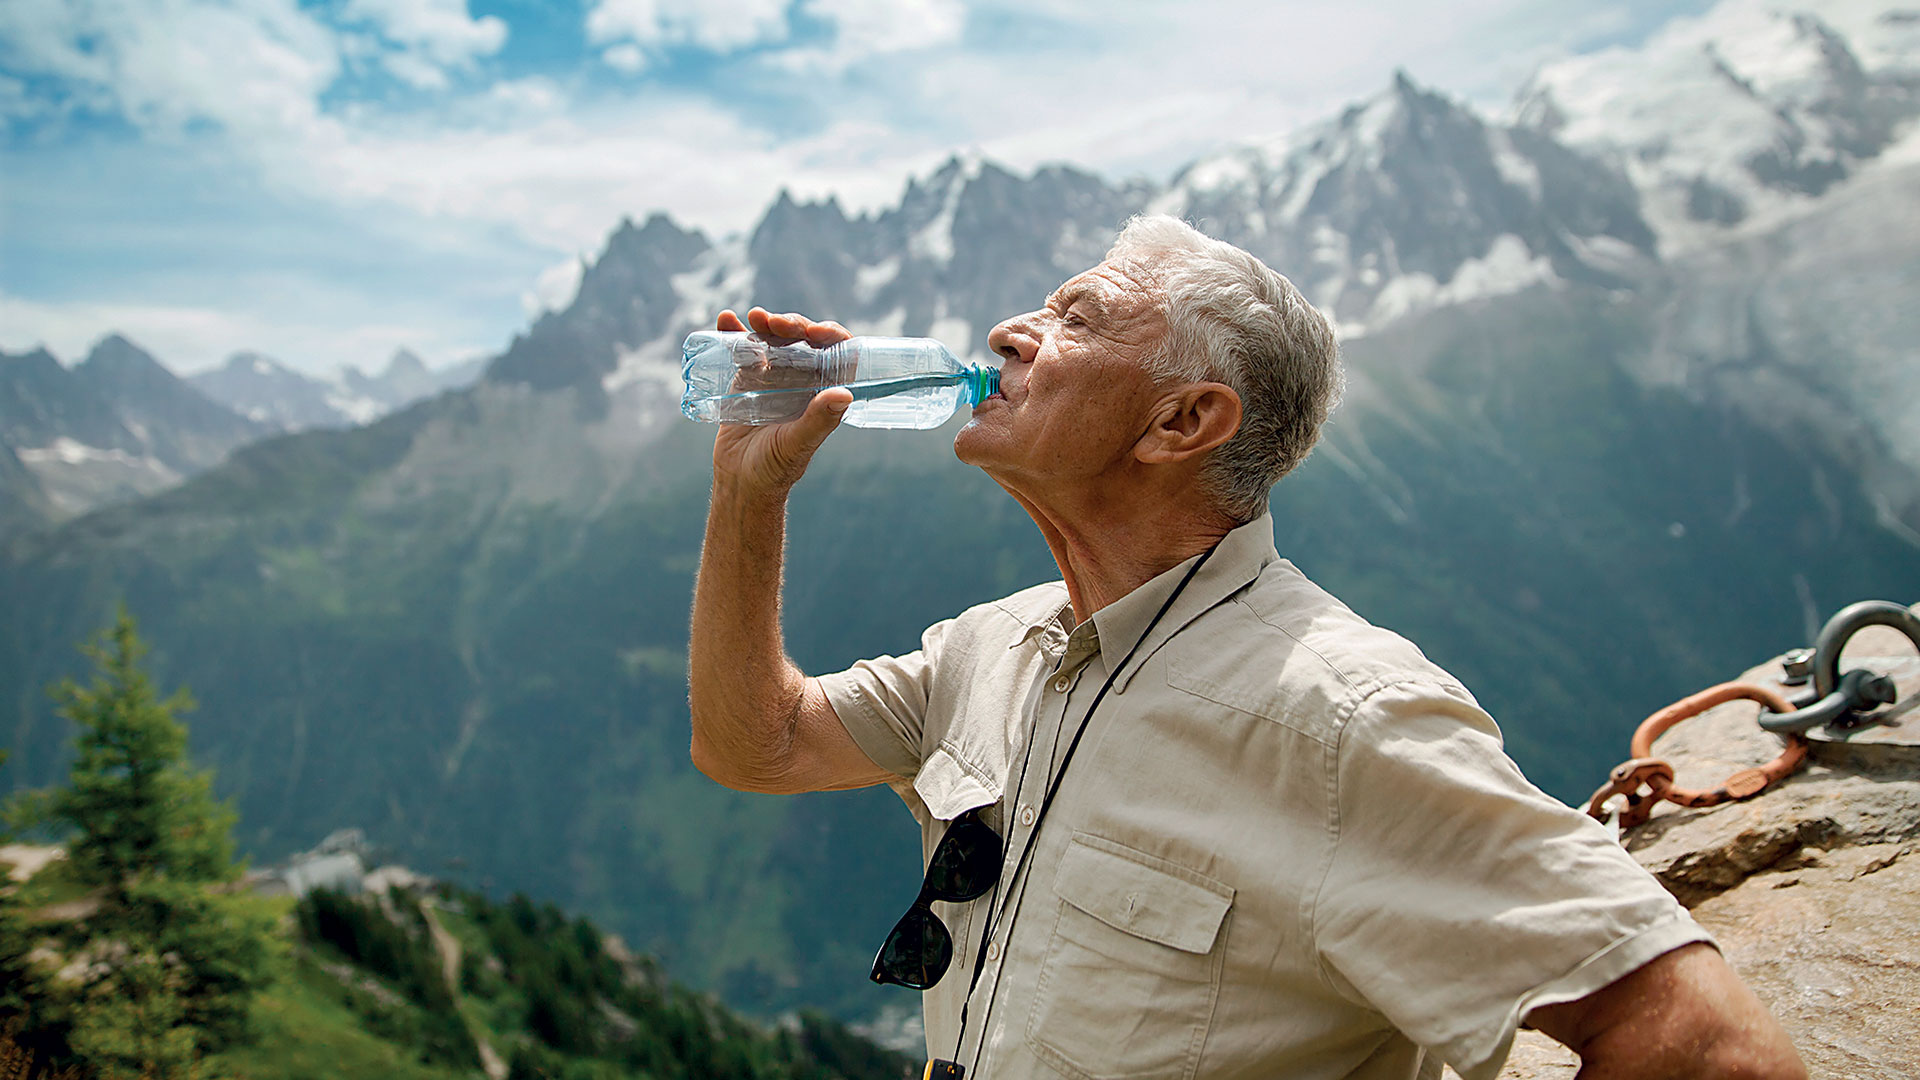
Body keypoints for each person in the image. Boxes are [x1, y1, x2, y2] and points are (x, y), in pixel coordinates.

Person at [687, 214, 1805, 1080]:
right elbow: (761, 745)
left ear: (1184, 422)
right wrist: (751, 493)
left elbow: (1706, 1050)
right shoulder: (997, 644)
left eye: (1078, 318)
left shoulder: (1341, 718)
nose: (1007, 335)